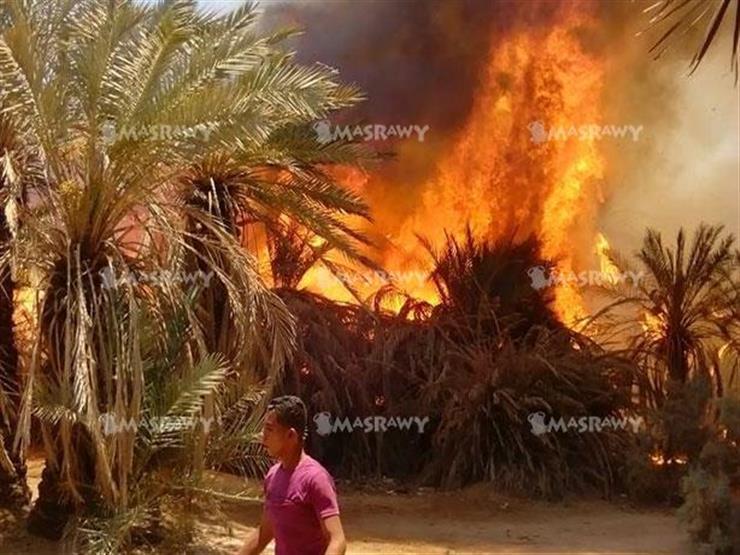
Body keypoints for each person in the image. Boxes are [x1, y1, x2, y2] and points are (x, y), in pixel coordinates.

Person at [238, 395, 346, 555]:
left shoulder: (315, 479)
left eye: (269, 429)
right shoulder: (273, 476)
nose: (263, 436)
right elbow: (264, 533)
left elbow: (337, 540)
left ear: (291, 436)